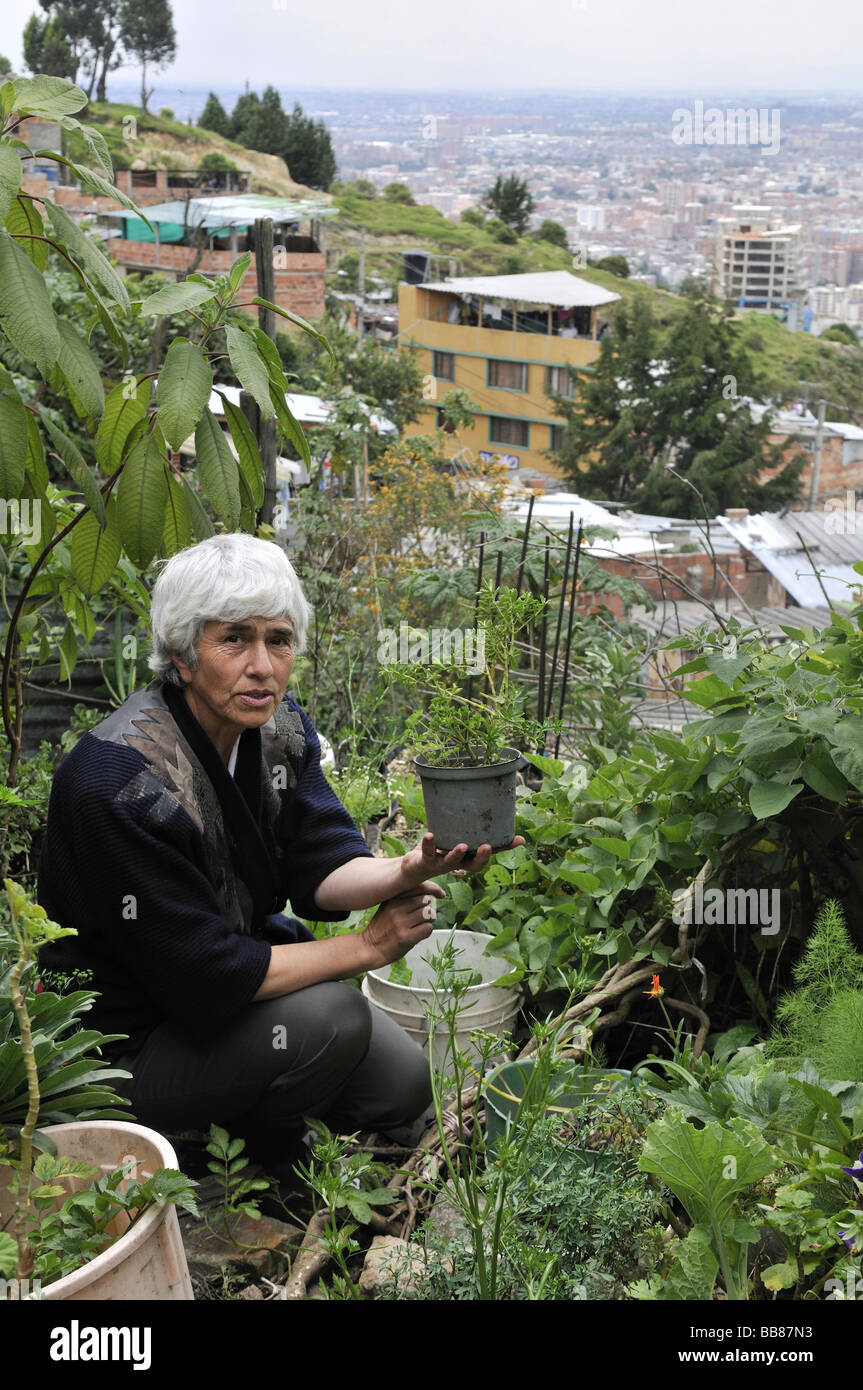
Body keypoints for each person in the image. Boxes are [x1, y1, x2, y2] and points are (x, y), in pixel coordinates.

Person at [37, 534, 521, 1168]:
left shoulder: (275, 731)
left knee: (404, 1085)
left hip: (231, 998)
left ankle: (279, 1099)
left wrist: (408, 868)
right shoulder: (119, 783)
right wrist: (366, 948)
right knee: (336, 1018)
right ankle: (253, 1164)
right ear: (183, 657)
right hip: (129, 1050)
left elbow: (321, 865)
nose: (262, 665)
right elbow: (206, 978)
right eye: (234, 639)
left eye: (279, 639)